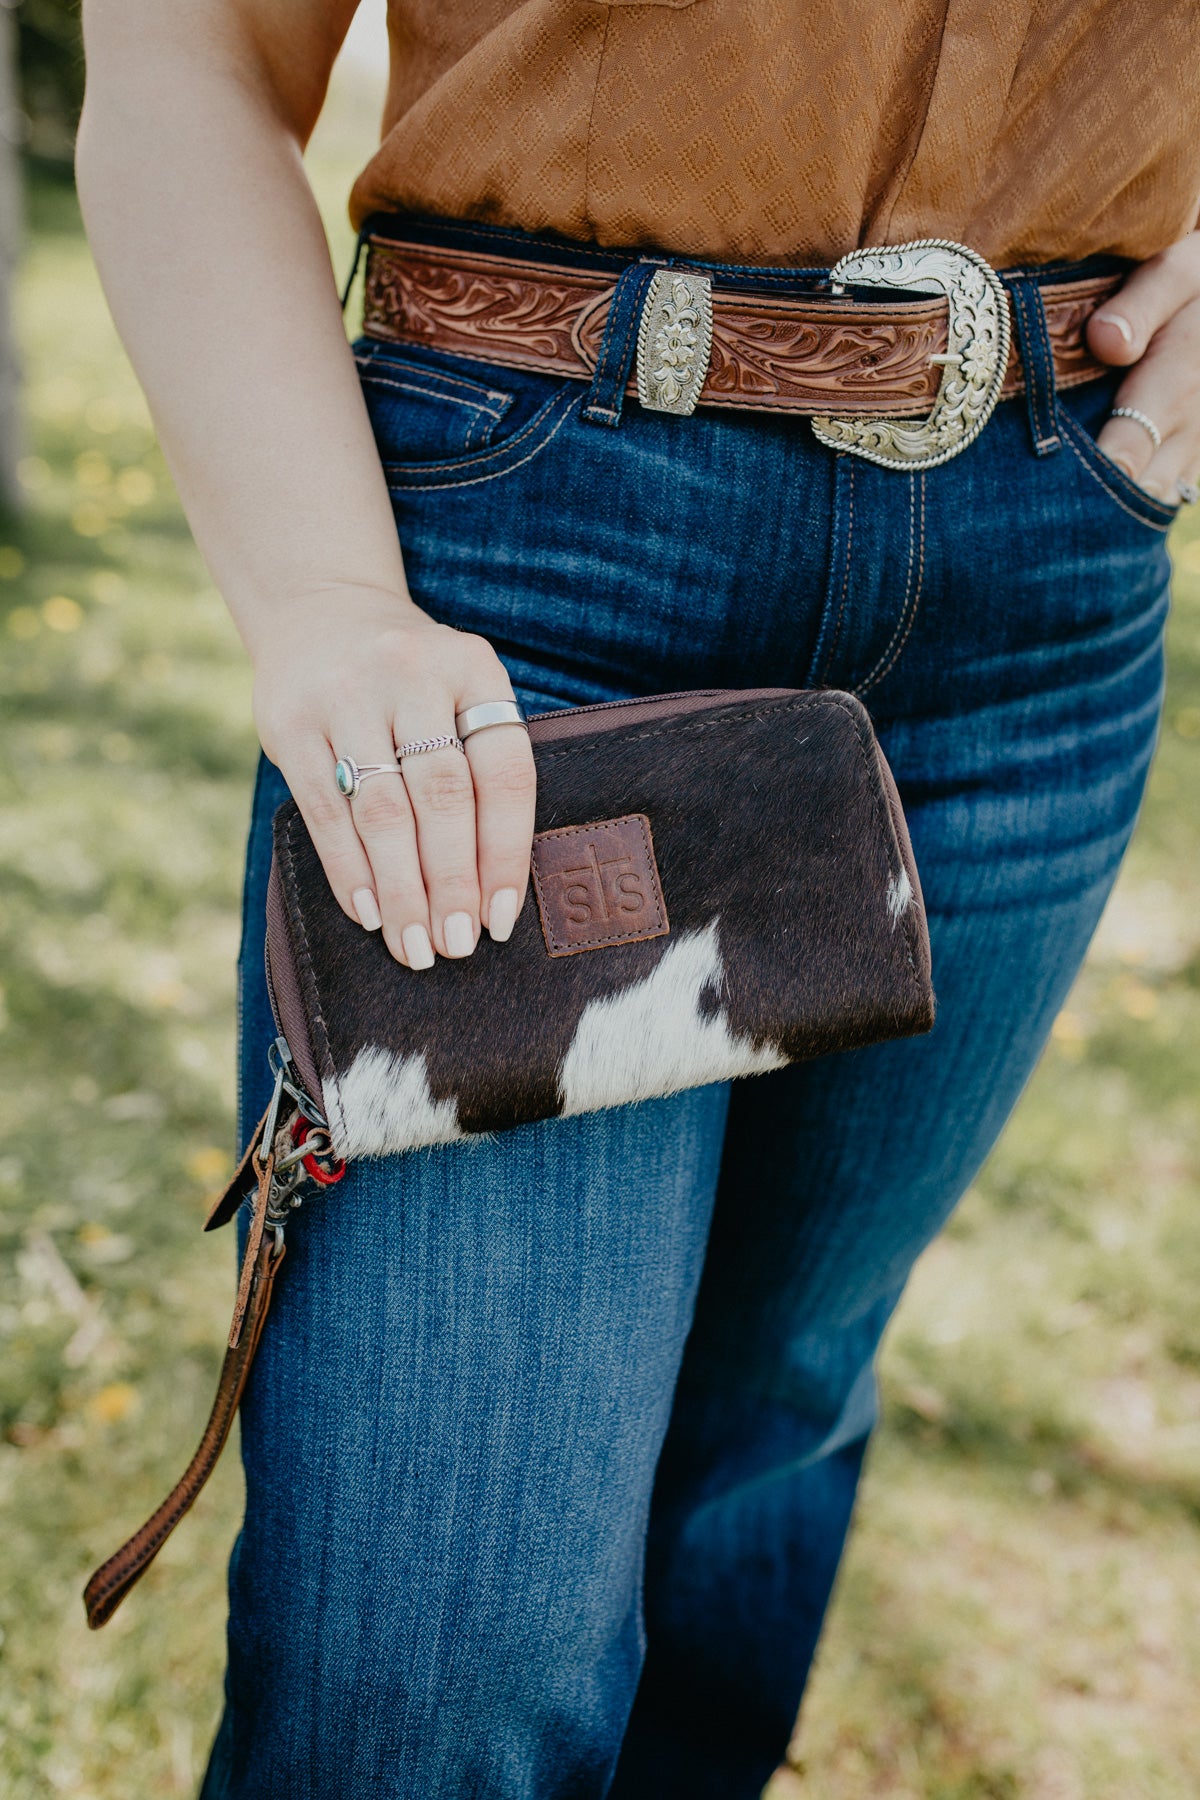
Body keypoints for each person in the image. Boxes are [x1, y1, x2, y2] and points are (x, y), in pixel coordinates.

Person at [75, 3, 1200, 1795]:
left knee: (764, 1410)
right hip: (534, 584)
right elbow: (184, 59)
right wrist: (321, 603)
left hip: (1040, 579)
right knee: (440, 1648)